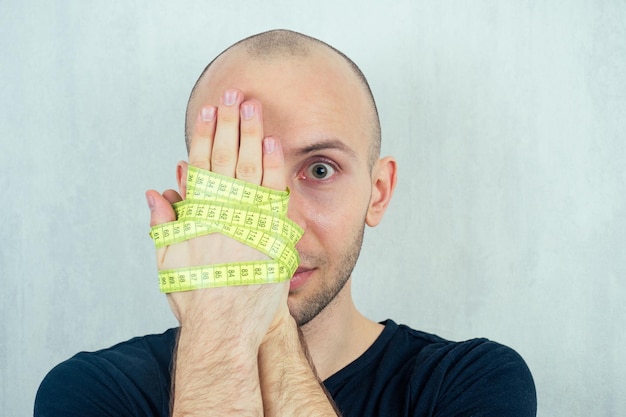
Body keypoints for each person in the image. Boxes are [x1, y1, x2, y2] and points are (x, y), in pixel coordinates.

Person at [35, 29, 536, 416]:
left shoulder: (471, 383)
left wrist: (255, 308)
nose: (278, 222)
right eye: (240, 179)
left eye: (320, 169)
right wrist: (230, 326)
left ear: (378, 192)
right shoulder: (91, 391)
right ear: (193, 195)